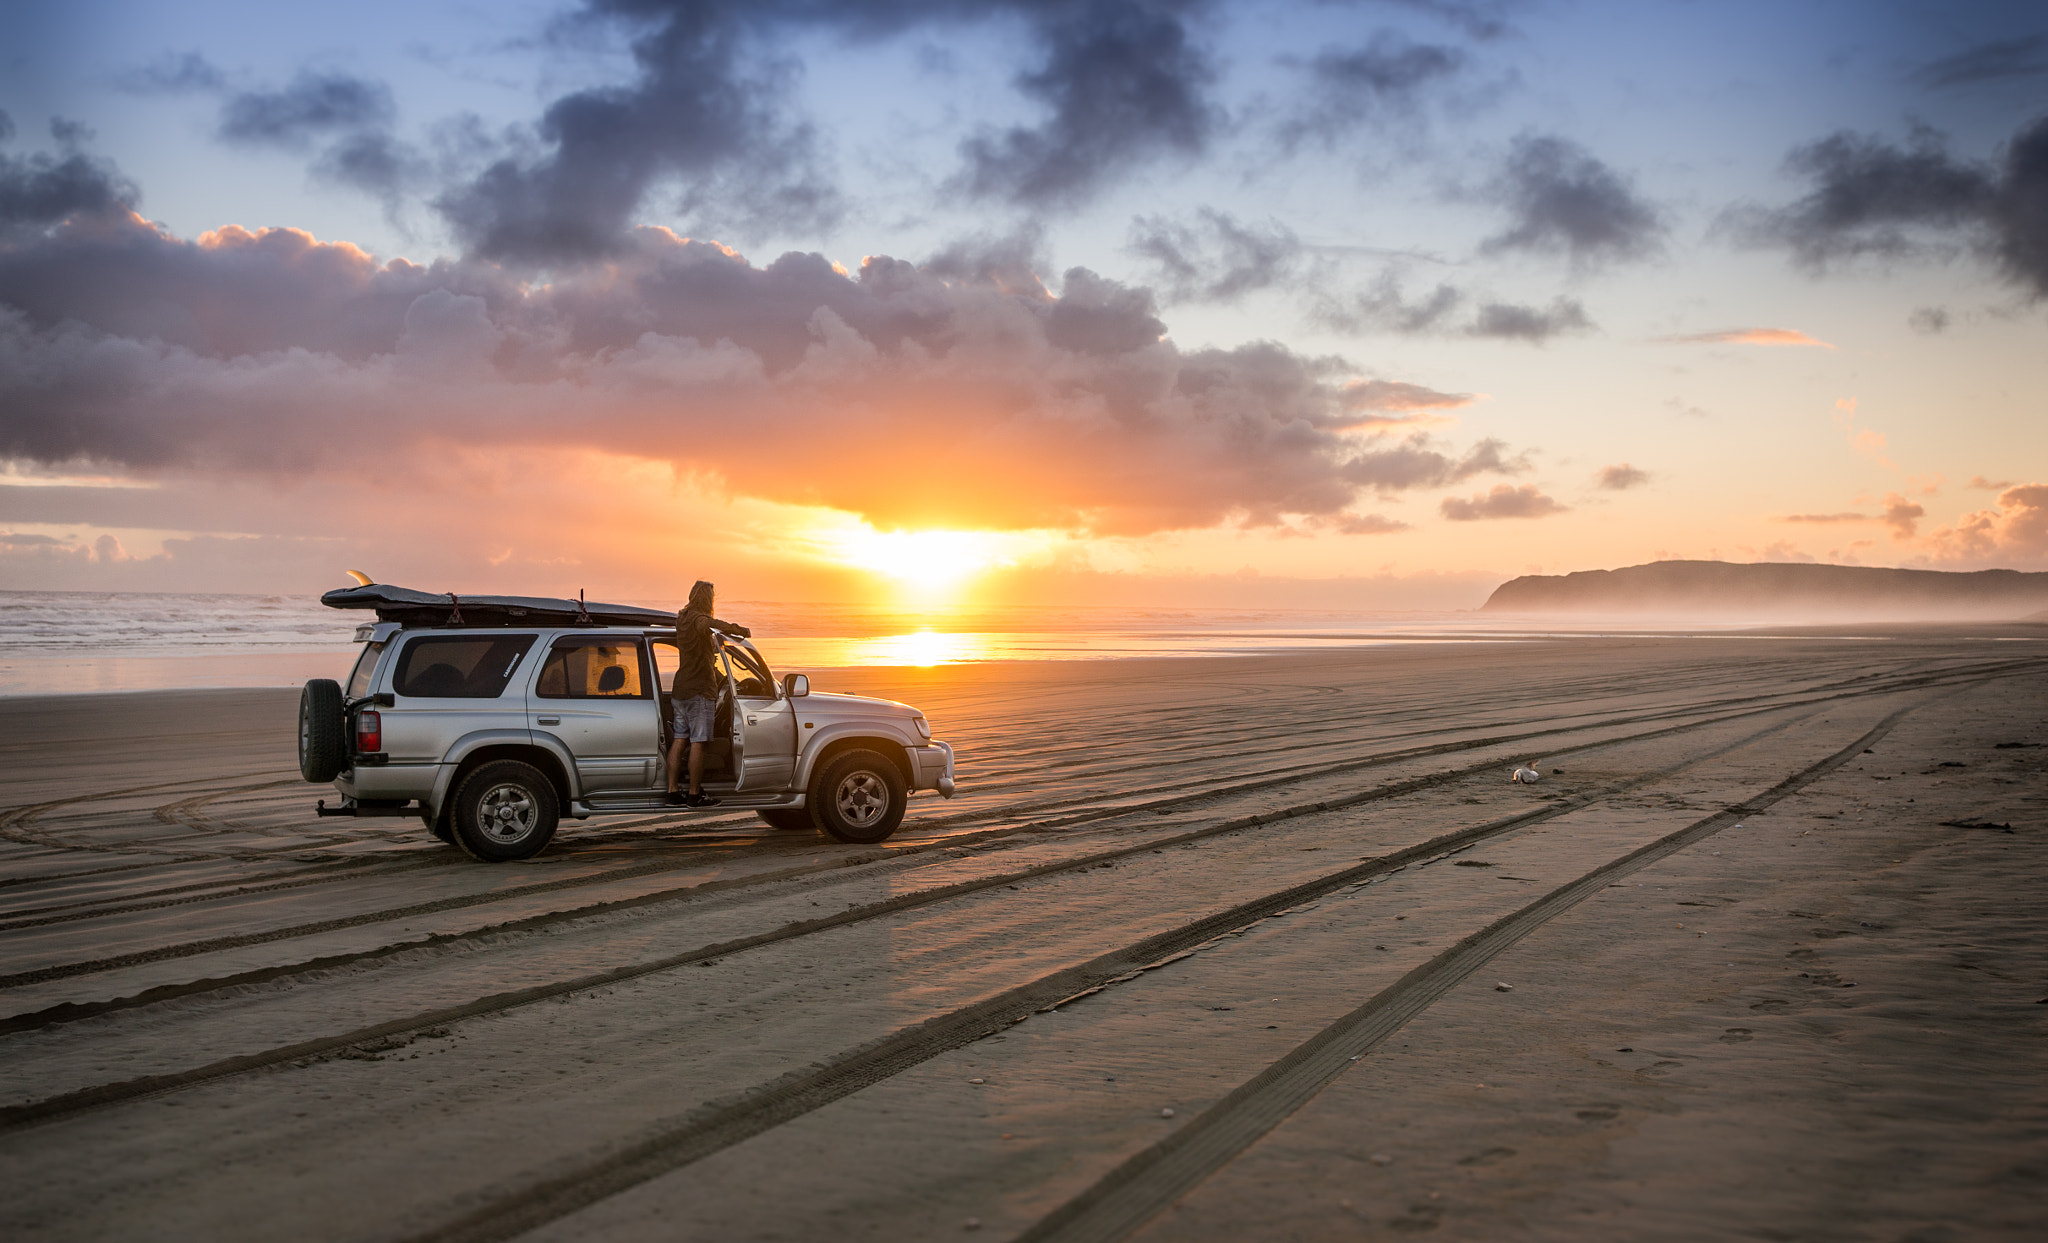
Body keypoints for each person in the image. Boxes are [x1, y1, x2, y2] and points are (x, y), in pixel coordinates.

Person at [666, 580, 749, 807]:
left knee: (680, 740)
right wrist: (736, 629)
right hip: (699, 691)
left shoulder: (682, 618)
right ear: (706, 599)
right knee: (698, 743)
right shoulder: (698, 619)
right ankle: (694, 794)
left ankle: (672, 791)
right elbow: (706, 624)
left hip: (681, 690)